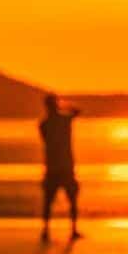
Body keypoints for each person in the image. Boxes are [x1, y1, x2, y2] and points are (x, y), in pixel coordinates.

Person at [39, 92, 82, 242]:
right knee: (71, 200)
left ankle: (46, 231)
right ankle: (73, 230)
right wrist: (64, 106)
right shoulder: (64, 120)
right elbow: (77, 111)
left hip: (53, 167)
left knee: (48, 201)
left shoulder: (44, 124)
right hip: (64, 167)